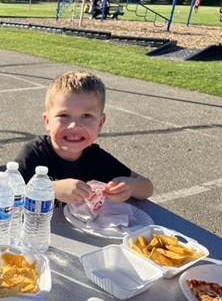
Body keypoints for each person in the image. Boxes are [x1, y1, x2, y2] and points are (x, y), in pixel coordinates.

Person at [15, 71, 153, 205]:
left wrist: (130, 187)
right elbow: (5, 193)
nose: (74, 125)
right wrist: (51, 189)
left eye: (86, 116)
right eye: (64, 115)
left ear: (100, 123)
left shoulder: (96, 158)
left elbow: (147, 188)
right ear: (47, 121)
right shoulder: (35, 153)